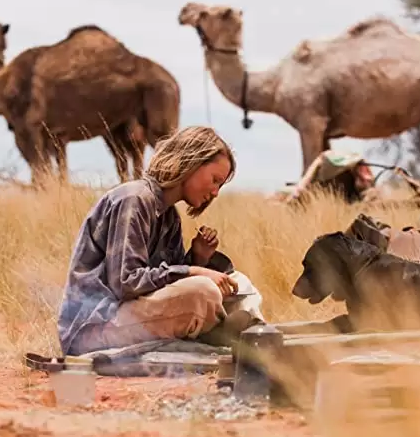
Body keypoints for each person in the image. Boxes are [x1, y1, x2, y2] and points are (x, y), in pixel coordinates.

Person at [57, 126, 267, 356]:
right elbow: (126, 283)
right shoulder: (134, 200)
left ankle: (257, 337)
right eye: (214, 180)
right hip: (94, 327)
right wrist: (193, 271)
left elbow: (168, 285)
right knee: (203, 290)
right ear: (191, 162)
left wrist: (198, 257)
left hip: (128, 316)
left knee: (239, 282)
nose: (215, 192)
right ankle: (226, 335)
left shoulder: (169, 216)